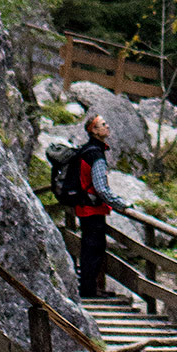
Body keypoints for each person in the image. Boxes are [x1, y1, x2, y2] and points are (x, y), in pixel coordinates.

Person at [74, 111, 122, 298]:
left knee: (89, 248)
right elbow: (101, 187)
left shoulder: (87, 150)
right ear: (94, 130)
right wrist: (119, 204)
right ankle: (89, 291)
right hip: (92, 209)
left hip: (84, 207)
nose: (107, 126)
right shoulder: (95, 154)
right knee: (94, 250)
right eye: (103, 124)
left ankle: (89, 288)